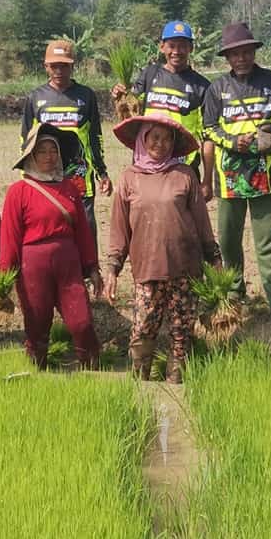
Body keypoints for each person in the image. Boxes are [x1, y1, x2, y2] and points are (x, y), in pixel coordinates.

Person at [104, 114, 220, 383]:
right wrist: (112, 269)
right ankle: (139, 386)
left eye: (168, 139)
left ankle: (176, 386)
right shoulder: (129, 178)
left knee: (182, 332)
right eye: (155, 137)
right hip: (147, 270)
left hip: (185, 270)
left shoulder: (185, 175)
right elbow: (119, 230)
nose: (161, 143)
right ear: (143, 140)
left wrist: (214, 258)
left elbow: (202, 223)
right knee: (143, 328)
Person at [201, 22, 271, 313]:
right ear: (227, 58)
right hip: (229, 177)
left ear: (254, 51)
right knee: (228, 241)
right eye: (234, 54)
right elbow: (209, 129)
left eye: (246, 52)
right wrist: (231, 141)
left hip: (266, 174)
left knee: (270, 241)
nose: (241, 58)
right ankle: (236, 293)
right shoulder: (217, 89)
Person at [0, 123, 103, 369]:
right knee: (37, 322)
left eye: (53, 151)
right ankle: (37, 370)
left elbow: (82, 233)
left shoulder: (69, 188)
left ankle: (93, 369)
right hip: (32, 265)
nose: (49, 156)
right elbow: (10, 237)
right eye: (42, 151)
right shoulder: (18, 191)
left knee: (82, 322)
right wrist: (3, 280)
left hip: (68, 262)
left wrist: (92, 267)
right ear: (31, 156)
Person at [21, 39, 111, 242]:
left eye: (64, 65)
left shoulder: (86, 95)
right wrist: (27, 173)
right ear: (46, 67)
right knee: (50, 224)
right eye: (54, 66)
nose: (59, 70)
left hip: (79, 174)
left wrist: (102, 172)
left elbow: (95, 136)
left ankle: (89, 271)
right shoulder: (35, 97)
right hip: (45, 173)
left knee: (84, 228)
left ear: (73, 65)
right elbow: (26, 138)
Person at [112, 20, 212, 196]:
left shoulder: (202, 86)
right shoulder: (150, 74)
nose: (176, 51)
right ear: (162, 47)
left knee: (182, 219)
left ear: (191, 49)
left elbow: (208, 137)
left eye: (182, 46)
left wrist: (207, 181)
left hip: (183, 163)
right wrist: (119, 95)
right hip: (148, 161)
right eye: (171, 45)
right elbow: (131, 109)